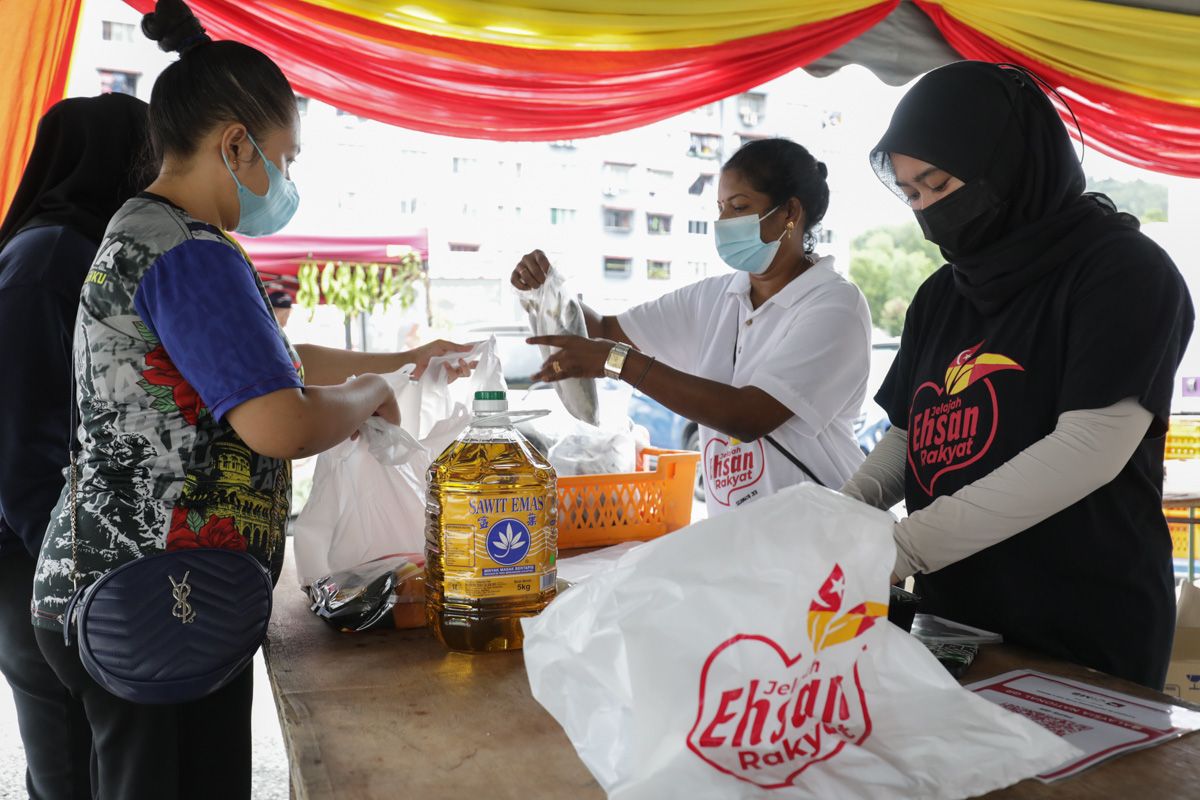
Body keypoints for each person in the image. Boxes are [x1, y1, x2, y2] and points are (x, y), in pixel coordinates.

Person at [29, 2, 471, 798]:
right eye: (285, 158)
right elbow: (278, 420)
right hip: (152, 594)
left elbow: (269, 365)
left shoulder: (156, 232)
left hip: (136, 584)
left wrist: (405, 360)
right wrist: (371, 392)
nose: (287, 182)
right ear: (236, 144)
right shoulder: (189, 252)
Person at [840, 61, 1194, 689]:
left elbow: (1090, 447)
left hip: (1082, 616)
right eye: (912, 194)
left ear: (1005, 159)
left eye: (939, 183)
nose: (927, 212)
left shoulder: (1122, 271)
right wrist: (841, 517)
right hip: (955, 614)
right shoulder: (941, 295)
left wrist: (904, 547)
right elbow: (909, 435)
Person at [513, 138, 871, 515]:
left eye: (739, 207)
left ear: (790, 213)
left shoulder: (832, 304)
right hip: (739, 541)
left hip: (822, 535)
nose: (724, 223)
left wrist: (616, 362)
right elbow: (605, 330)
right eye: (720, 209)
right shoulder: (715, 298)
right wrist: (550, 287)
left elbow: (747, 416)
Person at [0, 92, 151, 800]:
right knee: (68, 765)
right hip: (38, 563)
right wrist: (73, 576)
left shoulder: (84, 249)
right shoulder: (49, 259)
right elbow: (22, 445)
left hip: (69, 554)